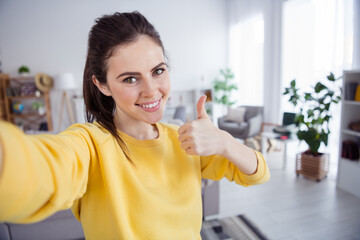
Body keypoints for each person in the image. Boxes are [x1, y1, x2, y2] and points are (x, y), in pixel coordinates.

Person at [0, 11, 270, 239]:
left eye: (158, 71)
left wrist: (225, 142)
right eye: (131, 79)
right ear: (102, 84)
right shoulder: (89, 145)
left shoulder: (185, 138)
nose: (151, 91)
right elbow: (39, 169)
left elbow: (257, 173)